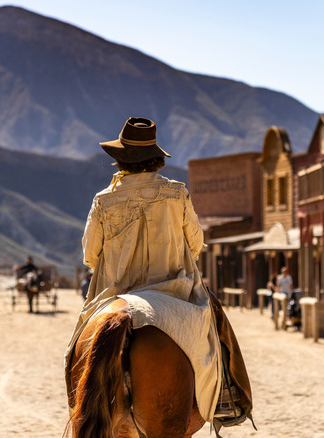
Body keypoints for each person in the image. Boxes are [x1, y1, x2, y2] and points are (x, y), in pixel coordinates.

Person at [64, 116, 252, 428]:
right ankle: (227, 397)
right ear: (156, 159)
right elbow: (196, 242)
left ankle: (76, 402)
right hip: (173, 290)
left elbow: (89, 254)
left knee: (78, 342)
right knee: (214, 321)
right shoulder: (177, 193)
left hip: (115, 292)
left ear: (120, 160)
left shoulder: (103, 200)